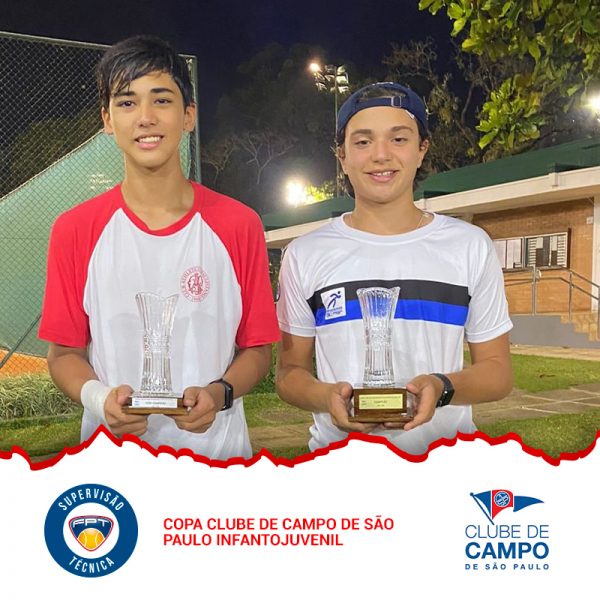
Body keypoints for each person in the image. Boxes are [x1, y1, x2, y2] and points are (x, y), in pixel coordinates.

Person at [39, 35, 279, 459]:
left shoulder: (238, 224)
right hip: (114, 467)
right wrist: (101, 399)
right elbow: (63, 354)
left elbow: (257, 348)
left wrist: (219, 393)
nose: (146, 118)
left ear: (188, 115)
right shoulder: (75, 229)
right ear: (108, 119)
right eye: (127, 103)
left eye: (162, 100)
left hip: (218, 462)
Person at [275, 82, 513, 455]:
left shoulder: (468, 245)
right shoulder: (305, 254)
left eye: (399, 139)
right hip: (340, 466)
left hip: (445, 464)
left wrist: (441, 387)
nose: (381, 155)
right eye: (363, 141)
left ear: (422, 150)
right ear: (342, 156)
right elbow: (289, 373)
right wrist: (327, 396)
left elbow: (497, 371)